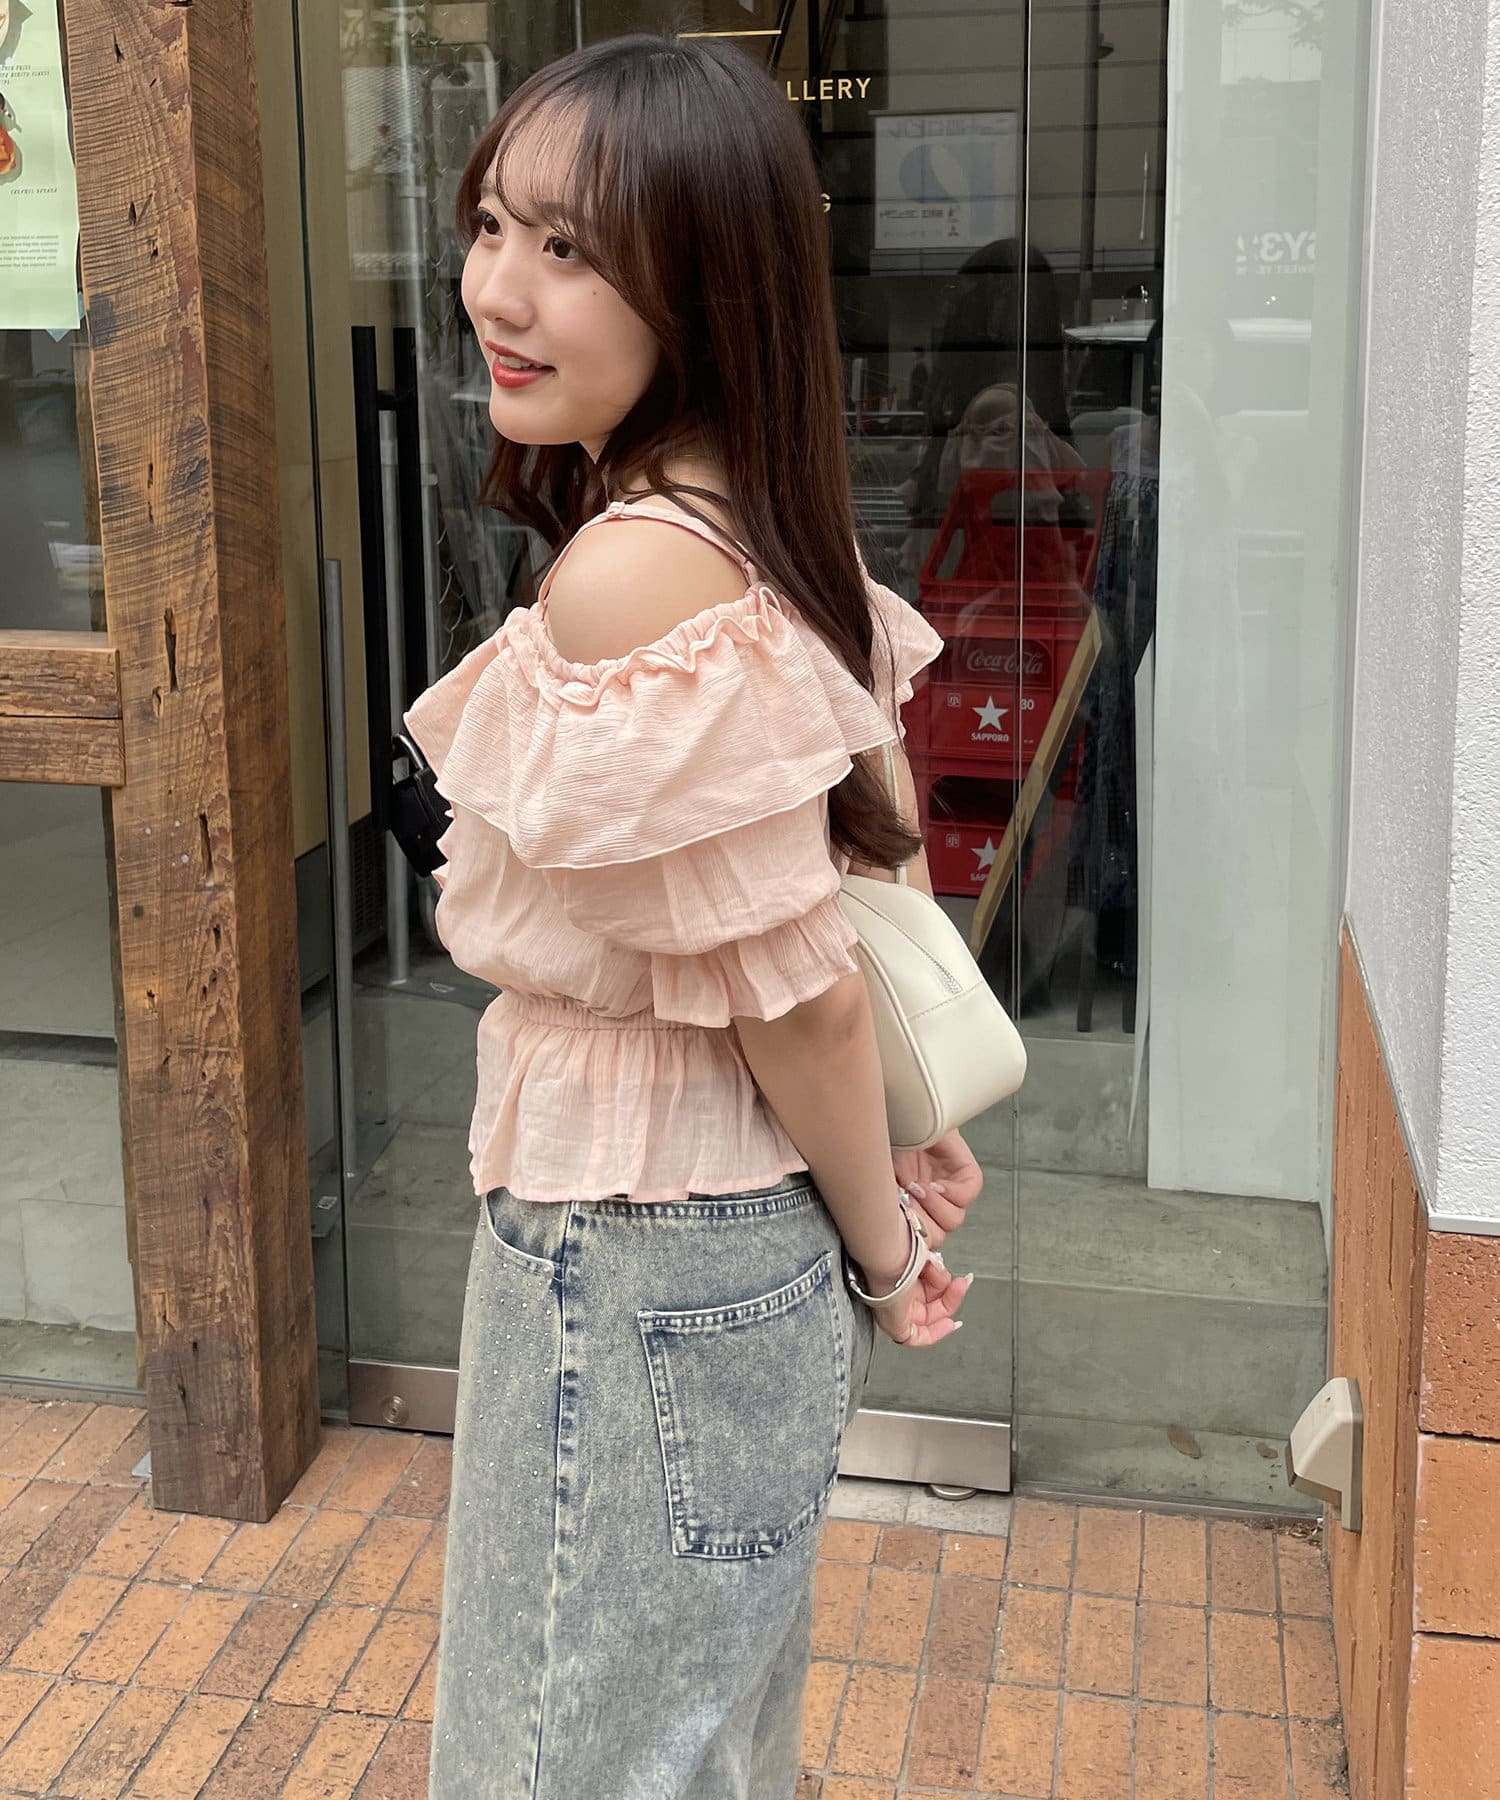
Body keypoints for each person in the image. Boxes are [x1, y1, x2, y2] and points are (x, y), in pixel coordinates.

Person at [402, 33, 983, 1799]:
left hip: (641, 1248)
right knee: (699, 1742)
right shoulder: (758, 512)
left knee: (559, 1760)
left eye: (570, 249)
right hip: (737, 1245)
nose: (500, 290)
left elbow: (801, 994)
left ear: (705, 285)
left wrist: (891, 1256)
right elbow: (864, 864)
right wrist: (893, 1162)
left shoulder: (638, 567)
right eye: (494, 224)